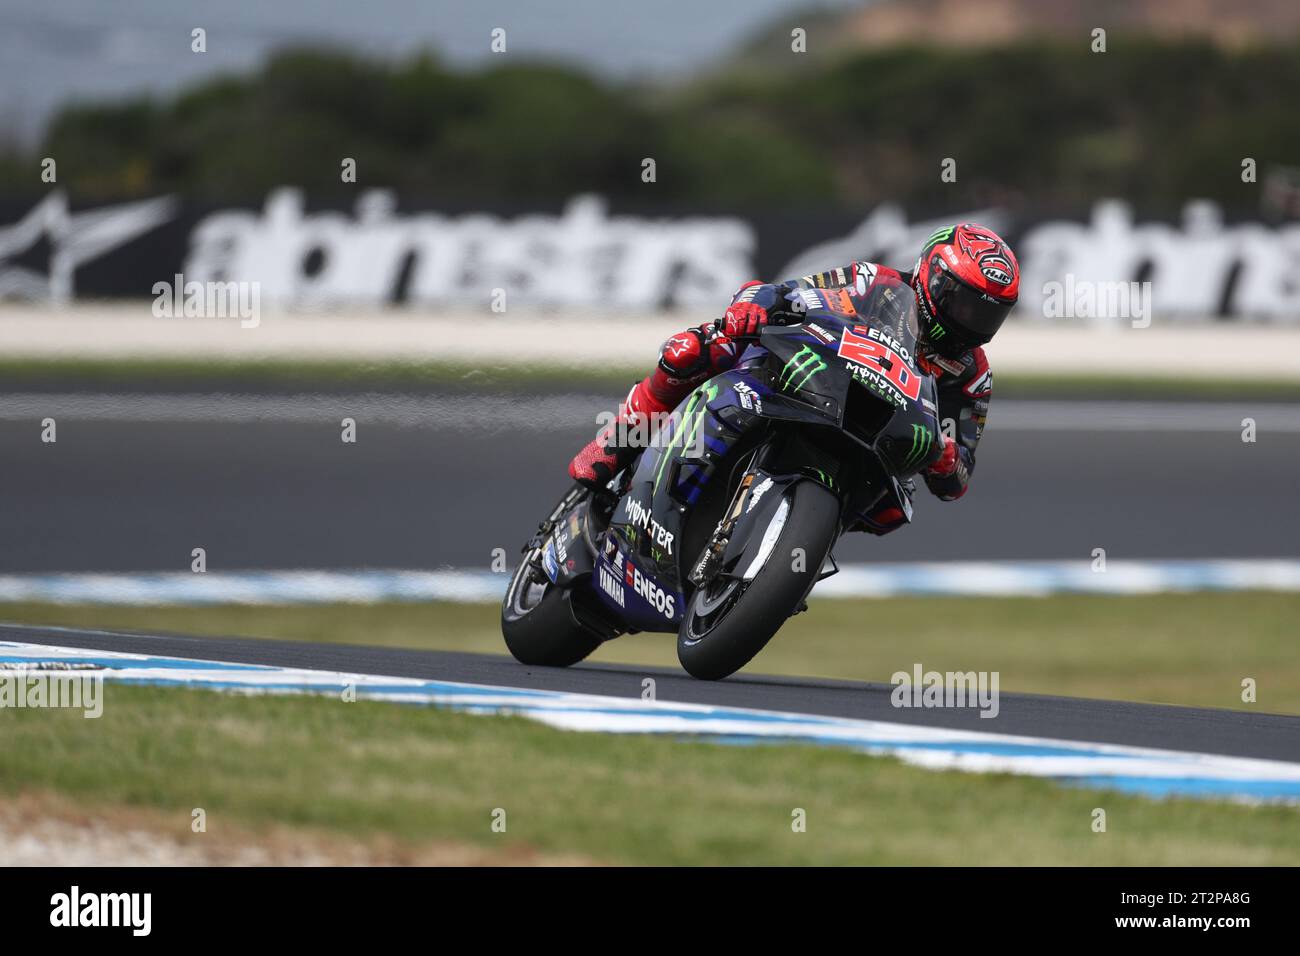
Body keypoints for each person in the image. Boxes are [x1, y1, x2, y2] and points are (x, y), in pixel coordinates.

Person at [568, 222, 1019, 533]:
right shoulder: (873, 282)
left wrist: (944, 460)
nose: (971, 321)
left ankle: (798, 547)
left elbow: (959, 477)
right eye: (964, 303)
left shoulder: (972, 375)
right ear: (933, 276)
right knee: (692, 349)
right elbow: (787, 291)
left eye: (986, 314)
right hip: (805, 381)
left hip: (872, 444)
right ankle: (616, 443)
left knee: (892, 510)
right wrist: (754, 307)